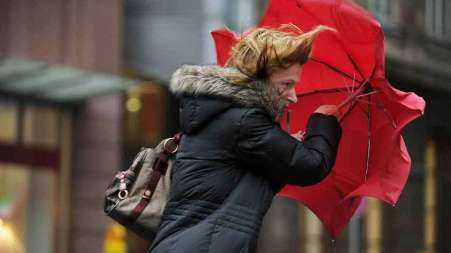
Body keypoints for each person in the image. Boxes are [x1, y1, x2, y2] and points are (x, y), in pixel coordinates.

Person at [149, 24, 342, 253]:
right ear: (259, 79)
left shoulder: (229, 115)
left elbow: (245, 183)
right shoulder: (244, 121)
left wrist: (285, 145)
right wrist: (323, 122)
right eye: (286, 85)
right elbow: (311, 165)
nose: (293, 97)